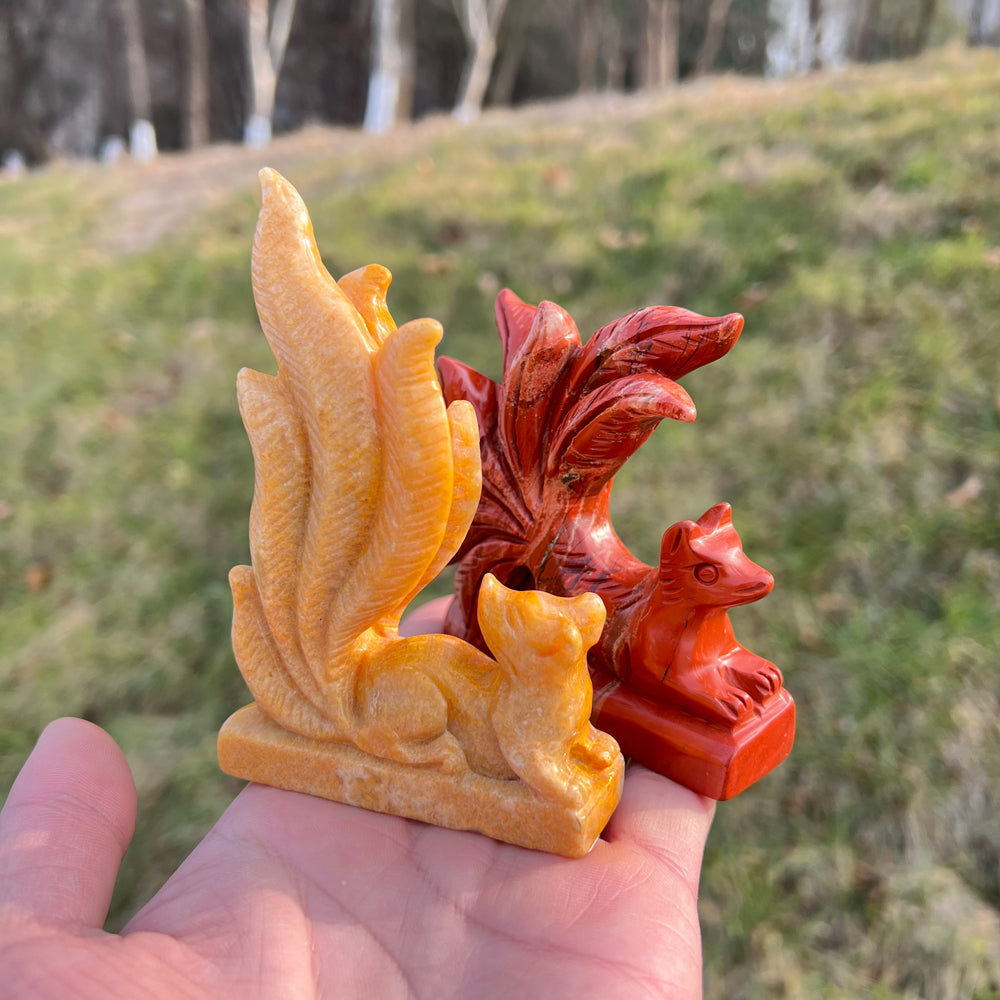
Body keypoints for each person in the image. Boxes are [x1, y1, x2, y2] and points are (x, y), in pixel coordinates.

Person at [0, 598, 714, 998]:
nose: (576, 638)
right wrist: (559, 772)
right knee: (425, 708)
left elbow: (557, 737)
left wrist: (585, 748)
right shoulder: (530, 693)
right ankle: (402, 741)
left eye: (571, 633)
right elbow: (532, 757)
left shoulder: (555, 687)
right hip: (403, 699)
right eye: (557, 638)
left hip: (453, 682)